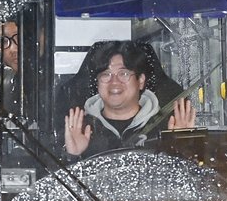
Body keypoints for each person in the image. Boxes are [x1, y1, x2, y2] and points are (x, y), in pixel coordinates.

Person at [63, 40, 196, 159]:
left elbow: (188, 175)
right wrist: (74, 155)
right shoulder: (80, 127)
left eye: (124, 73)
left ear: (141, 81)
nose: (114, 82)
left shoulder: (168, 126)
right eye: (106, 74)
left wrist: (182, 149)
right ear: (97, 83)